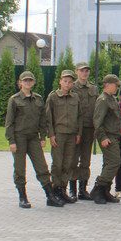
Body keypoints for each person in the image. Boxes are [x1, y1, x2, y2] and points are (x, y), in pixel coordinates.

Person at [5, 71, 64, 209]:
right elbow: (9, 122)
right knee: (20, 169)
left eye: (30, 80)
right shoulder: (14, 100)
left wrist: (42, 137)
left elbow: (42, 120)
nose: (27, 83)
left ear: (33, 82)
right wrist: (11, 141)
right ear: (20, 83)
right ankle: (22, 197)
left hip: (33, 138)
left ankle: (50, 196)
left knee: (42, 167)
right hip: (19, 138)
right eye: (25, 80)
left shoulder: (38, 99)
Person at [45, 69, 82, 204]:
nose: (67, 84)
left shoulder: (75, 97)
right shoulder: (53, 97)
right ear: (60, 81)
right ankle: (55, 190)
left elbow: (79, 117)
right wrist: (51, 135)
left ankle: (62, 190)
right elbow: (48, 118)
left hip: (72, 134)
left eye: (70, 82)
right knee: (57, 164)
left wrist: (79, 133)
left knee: (68, 163)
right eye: (65, 81)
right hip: (59, 135)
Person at [91, 74, 121, 205]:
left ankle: (105, 191)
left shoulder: (112, 99)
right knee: (115, 162)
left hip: (114, 135)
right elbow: (97, 121)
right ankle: (98, 189)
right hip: (107, 137)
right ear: (107, 84)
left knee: (108, 164)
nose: (117, 87)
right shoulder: (103, 100)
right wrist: (102, 137)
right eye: (116, 85)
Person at [71, 61, 98, 201]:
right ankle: (72, 190)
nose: (84, 73)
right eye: (82, 70)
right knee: (73, 159)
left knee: (86, 160)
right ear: (76, 71)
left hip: (89, 128)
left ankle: (83, 189)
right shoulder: (71, 87)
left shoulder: (93, 88)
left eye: (86, 71)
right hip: (75, 129)